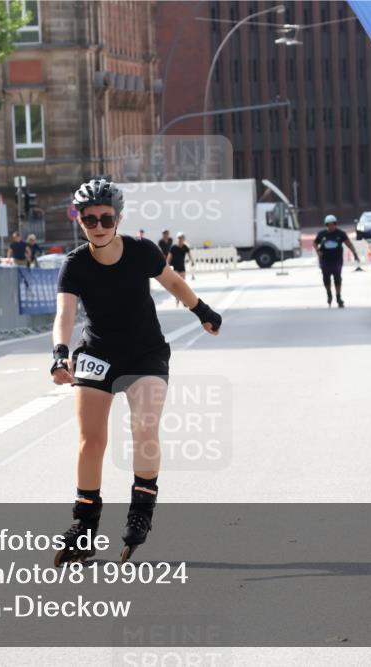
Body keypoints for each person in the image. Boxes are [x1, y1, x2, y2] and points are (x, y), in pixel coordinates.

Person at [50, 178, 223, 565]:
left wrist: (203, 313)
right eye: (88, 218)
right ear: (80, 221)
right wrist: (60, 353)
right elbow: (65, 313)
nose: (97, 225)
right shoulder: (75, 264)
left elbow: (175, 283)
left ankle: (140, 510)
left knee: (143, 427)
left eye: (105, 218)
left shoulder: (142, 251)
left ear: (119, 217)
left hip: (145, 353)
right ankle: (84, 526)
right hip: (97, 353)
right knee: (90, 441)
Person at [314, 214, 360, 308]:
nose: (331, 227)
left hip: (337, 260)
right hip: (325, 260)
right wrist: (318, 251)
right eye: (328, 225)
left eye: (332, 224)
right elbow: (315, 243)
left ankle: (338, 297)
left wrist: (354, 254)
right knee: (326, 278)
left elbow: (349, 244)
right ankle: (329, 294)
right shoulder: (322, 234)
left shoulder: (340, 234)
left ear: (335, 224)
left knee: (337, 278)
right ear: (326, 225)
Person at [167, 233, 192, 305]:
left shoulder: (185, 247)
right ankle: (177, 298)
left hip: (182, 267)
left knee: (183, 284)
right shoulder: (173, 247)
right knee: (177, 285)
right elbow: (169, 257)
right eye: (179, 238)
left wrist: (192, 261)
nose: (180, 239)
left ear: (183, 239)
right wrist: (167, 265)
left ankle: (184, 300)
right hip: (176, 268)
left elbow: (189, 255)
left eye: (181, 238)